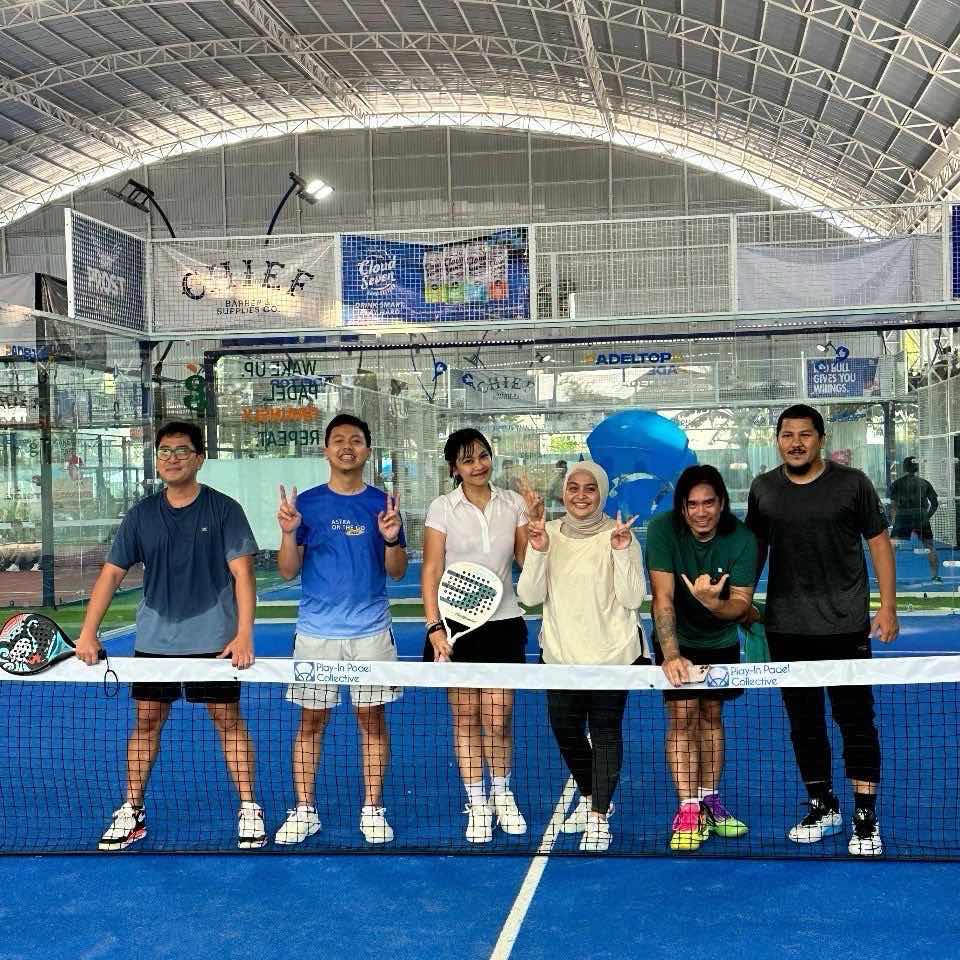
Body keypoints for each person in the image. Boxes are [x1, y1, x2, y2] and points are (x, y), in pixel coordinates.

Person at [75, 421, 264, 851]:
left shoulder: (225, 510)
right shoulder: (141, 515)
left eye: (182, 451)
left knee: (228, 722)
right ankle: (132, 809)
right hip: (154, 642)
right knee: (146, 722)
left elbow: (243, 574)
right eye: (164, 451)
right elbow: (111, 574)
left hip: (215, 642)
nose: (172, 458)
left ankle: (250, 807)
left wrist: (243, 634)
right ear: (157, 459)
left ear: (199, 459)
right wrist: (88, 632)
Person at [746, 403, 898, 857]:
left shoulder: (853, 484)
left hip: (845, 627)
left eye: (805, 435)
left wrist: (888, 608)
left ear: (820, 439)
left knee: (856, 723)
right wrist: (740, 601)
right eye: (787, 435)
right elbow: (754, 549)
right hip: (786, 630)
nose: (795, 443)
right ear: (777, 440)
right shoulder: (763, 489)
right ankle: (822, 805)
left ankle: (865, 817)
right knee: (804, 725)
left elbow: (879, 543)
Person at [273, 413, 407, 846]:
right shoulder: (307, 504)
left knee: (372, 721)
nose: (347, 447)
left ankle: (372, 809)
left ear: (367, 450)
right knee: (311, 722)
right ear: (326, 449)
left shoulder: (384, 504)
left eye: (356, 440)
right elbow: (288, 571)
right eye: (338, 440)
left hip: (371, 632)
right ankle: (304, 810)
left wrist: (391, 538)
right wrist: (289, 533)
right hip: (316, 634)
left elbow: (398, 571)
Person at [517, 461, 647, 853]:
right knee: (566, 731)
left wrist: (621, 551)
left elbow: (632, 598)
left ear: (601, 494)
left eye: (590, 488)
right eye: (573, 487)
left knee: (605, 733)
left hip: (613, 655)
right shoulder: (547, 532)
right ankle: (593, 795)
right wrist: (538, 549)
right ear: (564, 493)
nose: (581, 495)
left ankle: (599, 816)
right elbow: (529, 596)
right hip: (561, 656)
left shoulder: (620, 534)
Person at [421, 428, 532, 843]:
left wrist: (536, 527)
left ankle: (502, 793)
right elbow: (432, 570)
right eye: (467, 460)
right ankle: (478, 801)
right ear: (455, 468)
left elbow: (526, 561)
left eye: (483, 456)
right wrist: (434, 627)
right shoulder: (442, 508)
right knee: (466, 718)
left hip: (504, 624)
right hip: (456, 627)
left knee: (498, 719)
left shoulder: (513, 503)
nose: (478, 465)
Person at [647, 464, 757, 852]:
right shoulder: (662, 530)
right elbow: (662, 598)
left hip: (720, 637)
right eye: (692, 505)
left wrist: (713, 603)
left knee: (711, 715)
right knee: (682, 716)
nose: (700, 512)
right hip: (677, 637)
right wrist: (672, 655)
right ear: (681, 507)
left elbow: (742, 605)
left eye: (708, 503)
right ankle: (688, 808)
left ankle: (709, 799)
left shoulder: (742, 539)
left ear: (722, 503)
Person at [889, 456, 941, 582]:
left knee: (891, 547)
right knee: (930, 546)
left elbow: (893, 506)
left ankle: (886, 577)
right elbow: (935, 504)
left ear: (904, 468)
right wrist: (926, 517)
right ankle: (935, 576)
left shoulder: (896, 484)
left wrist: (894, 522)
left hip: (903, 516)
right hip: (920, 516)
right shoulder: (925, 483)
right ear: (917, 468)